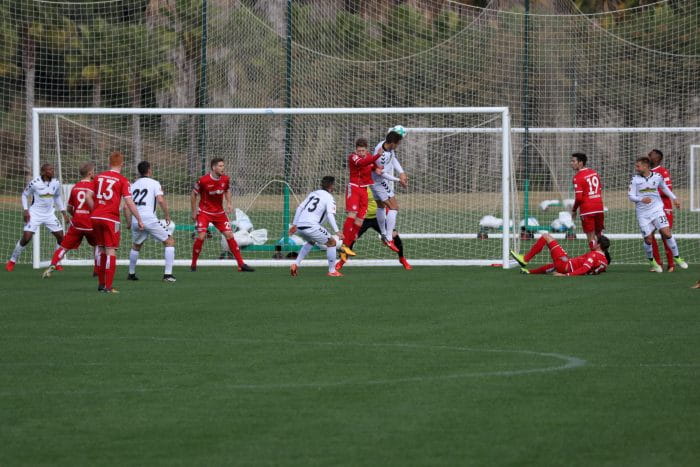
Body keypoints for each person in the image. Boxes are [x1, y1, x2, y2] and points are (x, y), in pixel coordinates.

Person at [86, 151, 145, 293]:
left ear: (109, 162)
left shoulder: (98, 177)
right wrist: (139, 219)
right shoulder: (123, 180)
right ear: (122, 164)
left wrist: (96, 210)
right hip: (110, 218)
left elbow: (88, 196)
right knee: (110, 250)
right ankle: (108, 286)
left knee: (100, 249)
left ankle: (101, 285)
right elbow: (129, 202)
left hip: (95, 217)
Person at [191, 158, 254, 272]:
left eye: (223, 166)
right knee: (201, 236)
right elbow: (193, 194)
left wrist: (229, 203)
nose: (222, 168)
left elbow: (227, 190)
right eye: (220, 166)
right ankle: (193, 264)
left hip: (219, 213)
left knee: (230, 235)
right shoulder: (203, 180)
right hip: (204, 213)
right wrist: (194, 210)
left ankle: (241, 264)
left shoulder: (225, 179)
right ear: (214, 167)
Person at [6, 163, 70, 272]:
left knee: (61, 238)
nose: (52, 171)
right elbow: (24, 195)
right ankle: (12, 260)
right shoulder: (35, 183)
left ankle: (56, 262)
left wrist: (63, 213)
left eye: (52, 169)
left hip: (49, 214)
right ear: (44, 172)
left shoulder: (56, 182)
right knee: (26, 238)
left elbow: (57, 197)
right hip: (35, 214)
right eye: (49, 170)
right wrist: (26, 210)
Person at [628, 156, 687, 272]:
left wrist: (674, 198)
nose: (636, 167)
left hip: (657, 210)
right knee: (648, 239)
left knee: (667, 232)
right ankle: (652, 261)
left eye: (638, 166)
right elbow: (630, 196)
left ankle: (677, 257)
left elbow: (664, 188)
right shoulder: (635, 179)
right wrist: (641, 199)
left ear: (645, 166)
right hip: (643, 214)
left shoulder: (657, 177)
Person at [42, 162, 99, 278]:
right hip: (90, 223)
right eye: (93, 171)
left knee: (64, 246)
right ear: (90, 173)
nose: (94, 173)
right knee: (98, 244)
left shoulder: (75, 187)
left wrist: (77, 215)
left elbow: (69, 208)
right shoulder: (94, 186)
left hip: (77, 222)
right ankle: (97, 269)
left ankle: (53, 264)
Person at [123, 161, 176, 282]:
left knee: (136, 246)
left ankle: (131, 274)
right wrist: (167, 215)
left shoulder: (133, 185)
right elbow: (161, 200)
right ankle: (168, 275)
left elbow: (126, 207)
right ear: (149, 170)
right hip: (149, 219)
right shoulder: (154, 183)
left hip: (136, 220)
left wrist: (129, 222)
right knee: (169, 241)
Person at [335, 187, 412, 271]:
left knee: (394, 235)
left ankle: (402, 258)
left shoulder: (376, 186)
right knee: (352, 238)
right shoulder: (358, 187)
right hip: (362, 219)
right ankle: (342, 261)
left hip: (378, 218)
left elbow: (385, 203)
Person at [288, 176, 343, 277]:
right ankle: (332, 271)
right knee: (332, 242)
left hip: (300, 226)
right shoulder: (329, 198)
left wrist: (294, 224)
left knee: (311, 241)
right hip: (311, 226)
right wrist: (337, 231)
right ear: (331, 186)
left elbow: (299, 208)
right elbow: (330, 215)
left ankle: (296, 264)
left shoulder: (313, 193)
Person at [340, 138, 382, 256]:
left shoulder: (368, 156)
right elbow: (363, 163)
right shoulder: (353, 157)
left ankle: (348, 245)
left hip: (364, 189)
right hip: (354, 188)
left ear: (366, 150)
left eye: (363, 151)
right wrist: (377, 155)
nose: (361, 153)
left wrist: (376, 168)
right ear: (356, 150)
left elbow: (371, 164)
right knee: (352, 215)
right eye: (359, 151)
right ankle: (344, 244)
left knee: (360, 219)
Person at [371, 126, 408, 253]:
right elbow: (381, 173)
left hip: (374, 180)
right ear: (392, 143)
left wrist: (401, 172)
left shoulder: (384, 145)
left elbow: (393, 159)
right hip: (379, 182)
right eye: (398, 143)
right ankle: (388, 237)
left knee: (381, 206)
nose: (398, 145)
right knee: (394, 207)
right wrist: (399, 180)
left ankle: (383, 233)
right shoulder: (382, 156)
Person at [510, 233, 611, 276]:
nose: (593, 243)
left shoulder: (593, 255)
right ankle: (529, 272)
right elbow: (595, 269)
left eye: (595, 241)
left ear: (599, 245)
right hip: (566, 264)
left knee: (546, 236)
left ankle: (525, 259)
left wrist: (565, 275)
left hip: (565, 266)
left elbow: (585, 269)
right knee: (555, 266)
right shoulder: (605, 261)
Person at [648, 149, 676, 272]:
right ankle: (658, 263)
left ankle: (671, 264)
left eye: (651, 154)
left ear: (657, 158)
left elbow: (667, 190)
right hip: (650, 210)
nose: (649, 156)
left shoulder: (662, 171)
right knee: (649, 235)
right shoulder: (646, 173)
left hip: (664, 208)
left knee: (665, 235)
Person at [570, 152, 604, 250]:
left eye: (573, 161)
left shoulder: (577, 177)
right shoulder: (594, 173)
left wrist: (574, 210)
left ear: (580, 162)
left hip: (587, 209)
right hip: (599, 207)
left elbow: (579, 198)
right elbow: (599, 189)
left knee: (590, 236)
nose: (571, 163)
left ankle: (595, 259)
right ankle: (604, 257)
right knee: (599, 234)